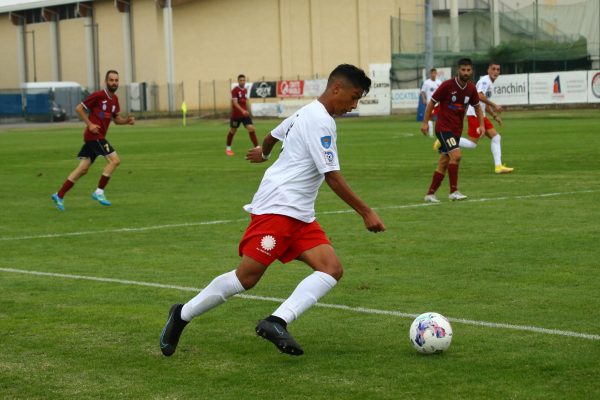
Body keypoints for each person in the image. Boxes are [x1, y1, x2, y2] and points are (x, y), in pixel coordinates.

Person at [160, 64, 386, 357]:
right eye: (354, 97)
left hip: (300, 213)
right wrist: (366, 212)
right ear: (336, 89)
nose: (353, 105)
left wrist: (264, 152)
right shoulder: (320, 121)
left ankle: (276, 321)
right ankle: (181, 314)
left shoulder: (306, 112)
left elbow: (271, 135)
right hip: (278, 207)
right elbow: (331, 175)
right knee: (246, 278)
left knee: (331, 269)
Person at [51, 70, 135, 211]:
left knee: (82, 169)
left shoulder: (114, 100)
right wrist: (89, 124)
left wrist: (127, 121)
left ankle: (59, 195)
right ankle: (99, 192)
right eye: (111, 80)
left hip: (97, 137)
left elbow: (116, 119)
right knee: (115, 161)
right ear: (106, 81)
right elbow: (79, 109)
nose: (114, 83)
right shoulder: (98, 95)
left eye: (116, 80)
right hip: (94, 136)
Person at [421, 58, 484, 203]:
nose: (466, 73)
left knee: (444, 161)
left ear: (471, 71)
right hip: (443, 128)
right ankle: (453, 191)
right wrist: (425, 122)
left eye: (468, 70)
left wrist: (482, 125)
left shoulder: (471, 88)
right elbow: (432, 103)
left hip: (456, 130)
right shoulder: (447, 85)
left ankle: (430, 194)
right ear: (458, 70)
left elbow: (477, 107)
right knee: (456, 155)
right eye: (463, 70)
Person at [461, 62, 514, 174]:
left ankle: (498, 167)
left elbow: (482, 102)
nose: (496, 71)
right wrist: (495, 105)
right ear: (488, 70)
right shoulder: (485, 81)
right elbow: (480, 96)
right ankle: (447, 140)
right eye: (493, 69)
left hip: (480, 114)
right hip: (474, 114)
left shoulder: (489, 82)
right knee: (472, 144)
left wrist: (494, 115)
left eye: (498, 69)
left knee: (496, 137)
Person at [226, 74, 258, 156]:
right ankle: (228, 148)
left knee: (251, 128)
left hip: (245, 115)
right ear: (238, 81)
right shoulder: (235, 90)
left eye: (244, 80)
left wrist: (247, 111)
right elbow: (235, 103)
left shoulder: (245, 90)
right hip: (236, 115)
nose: (242, 82)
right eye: (241, 80)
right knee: (233, 130)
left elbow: (246, 102)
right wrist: (242, 110)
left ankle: (257, 147)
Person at [420, 68, 442, 137]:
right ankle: (431, 134)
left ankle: (439, 132)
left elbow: (442, 92)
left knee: (440, 118)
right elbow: (422, 92)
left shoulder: (439, 82)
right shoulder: (426, 82)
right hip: (430, 103)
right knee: (429, 118)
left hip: (438, 104)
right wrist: (424, 99)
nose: (433, 74)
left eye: (434, 73)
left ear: (436, 74)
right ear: (430, 74)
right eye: (432, 73)